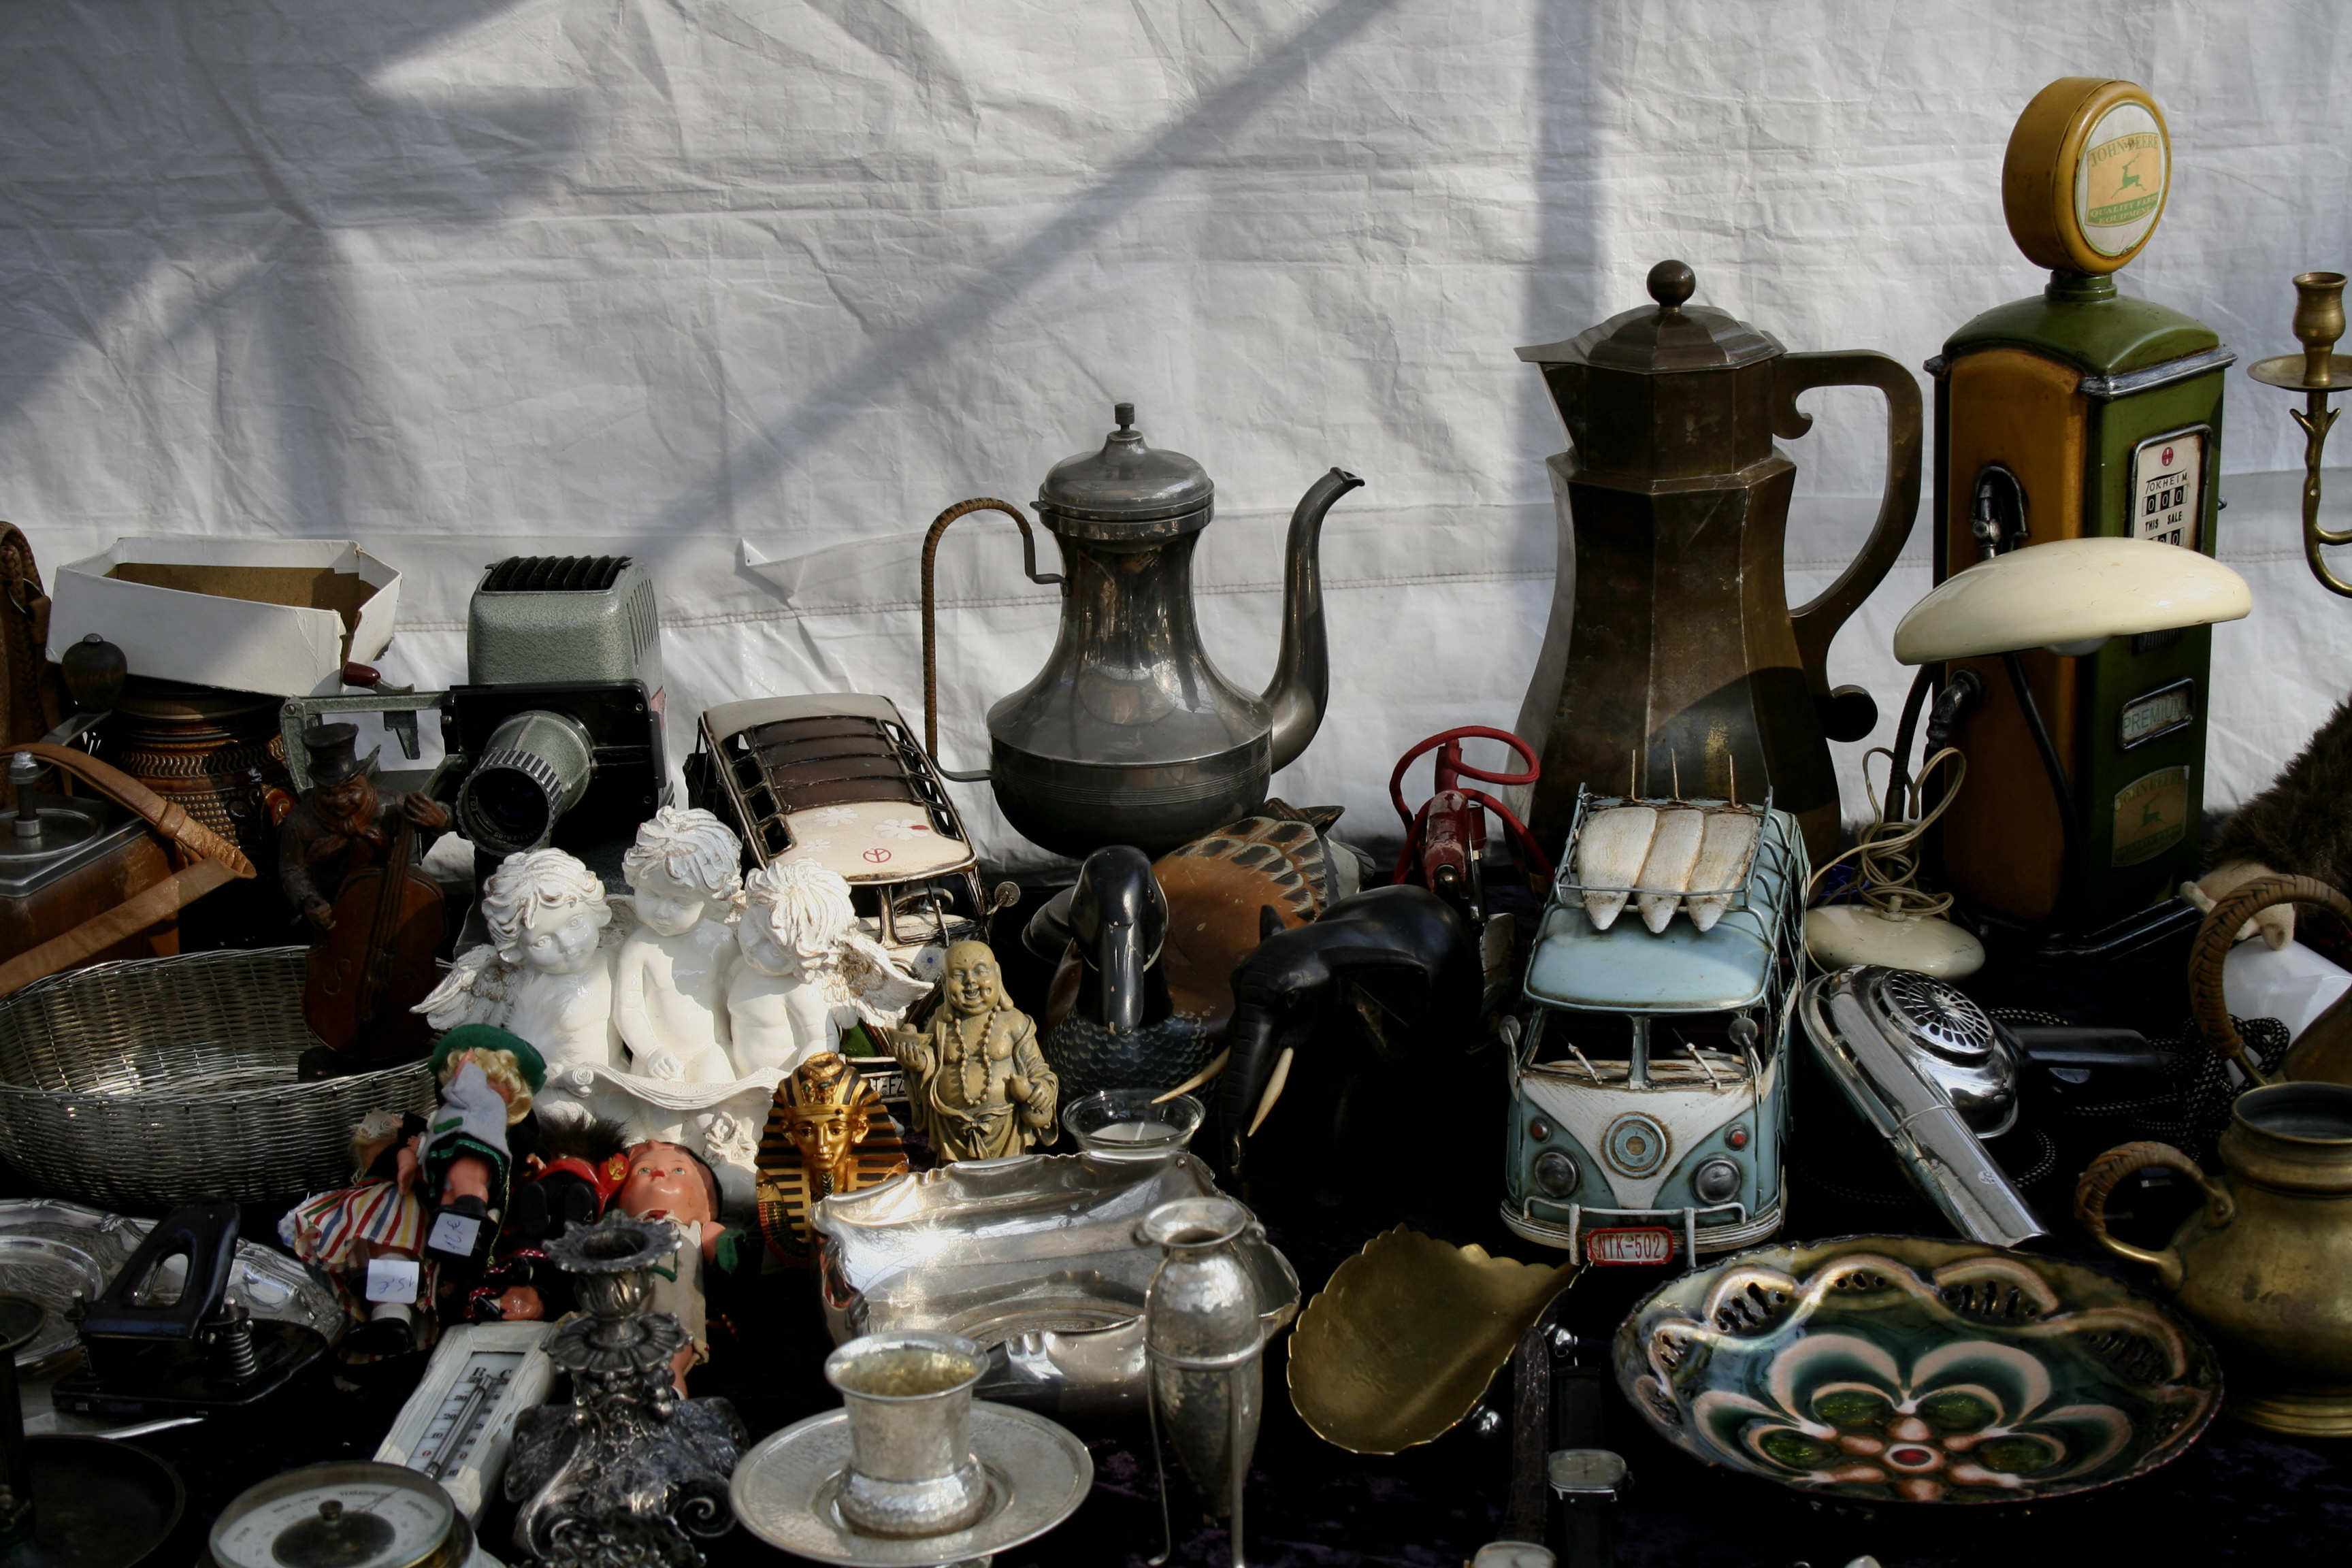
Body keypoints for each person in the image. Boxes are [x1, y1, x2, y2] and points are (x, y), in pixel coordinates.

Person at [896, 939, 1058, 1162]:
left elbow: (1038, 1069)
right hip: (952, 1131)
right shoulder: (940, 1024)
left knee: (1009, 1179)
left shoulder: (1013, 1022)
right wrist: (917, 1063)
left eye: (980, 971)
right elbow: (931, 1064)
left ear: (997, 975)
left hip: (1006, 1130)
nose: (970, 981)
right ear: (944, 982)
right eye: (958, 975)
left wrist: (1042, 1091)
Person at [278, 722, 449, 931]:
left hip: (388, 905)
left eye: (350, 791)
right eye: (327, 793)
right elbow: (291, 869)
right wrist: (308, 899)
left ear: (363, 780)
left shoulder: (389, 803)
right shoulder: (300, 819)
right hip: (332, 912)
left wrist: (442, 818)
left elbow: (435, 815)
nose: (340, 801)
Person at [614, 807, 744, 1082]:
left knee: (716, 1106)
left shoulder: (721, 942)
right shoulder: (638, 949)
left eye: (681, 901)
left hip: (712, 1050)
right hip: (658, 1058)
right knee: (661, 1124)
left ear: (713, 899)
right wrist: (650, 1052)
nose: (662, 911)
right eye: (650, 894)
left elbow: (741, 1000)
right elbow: (628, 1009)